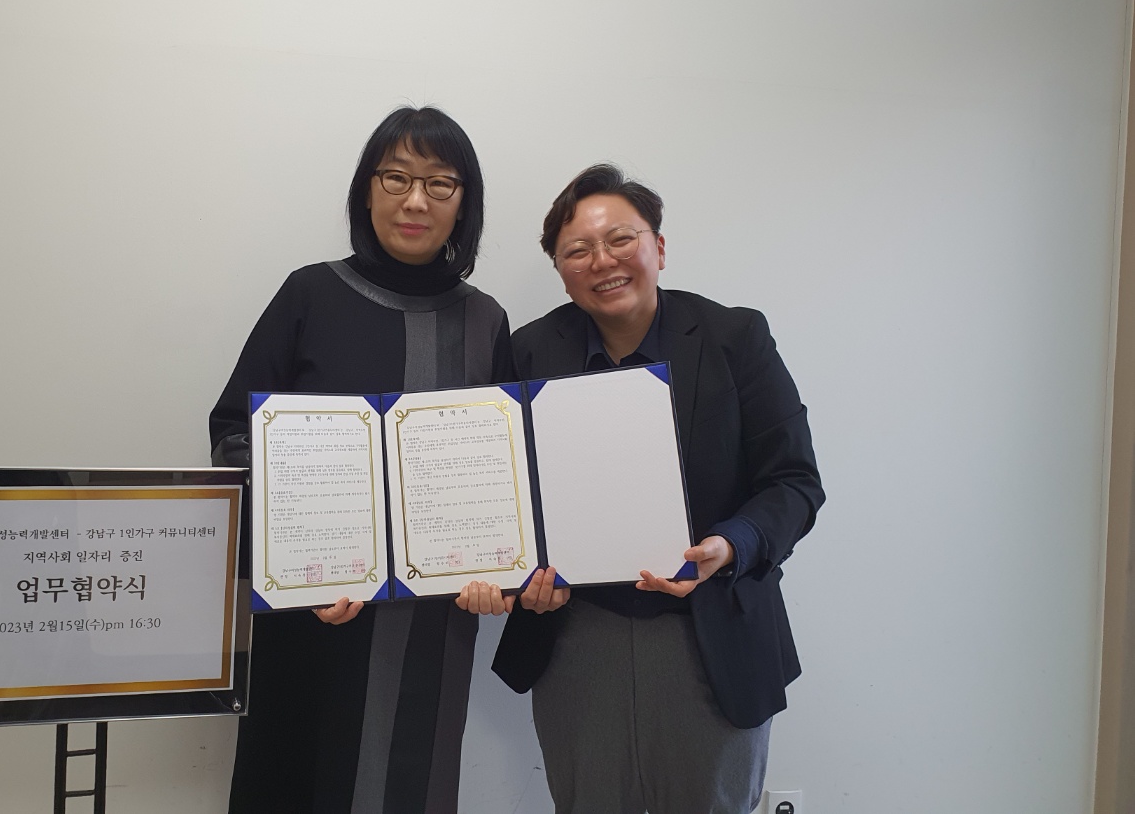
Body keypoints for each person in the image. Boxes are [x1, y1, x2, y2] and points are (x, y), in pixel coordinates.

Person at [209, 106, 516, 814]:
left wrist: (497, 570)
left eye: (439, 184)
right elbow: (233, 434)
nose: (415, 200)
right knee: (295, 780)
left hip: (431, 622)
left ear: (463, 203)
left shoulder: (484, 321)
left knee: (410, 781)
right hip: (314, 610)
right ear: (366, 189)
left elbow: (501, 474)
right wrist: (295, 563)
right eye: (396, 177)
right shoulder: (309, 294)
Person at [492, 163, 824, 814]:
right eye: (578, 250)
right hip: (577, 635)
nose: (602, 261)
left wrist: (731, 544)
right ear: (560, 270)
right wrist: (514, 572)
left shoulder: (735, 338)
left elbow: (794, 481)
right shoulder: (530, 352)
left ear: (659, 247)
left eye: (621, 239)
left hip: (711, 632)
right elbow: (503, 492)